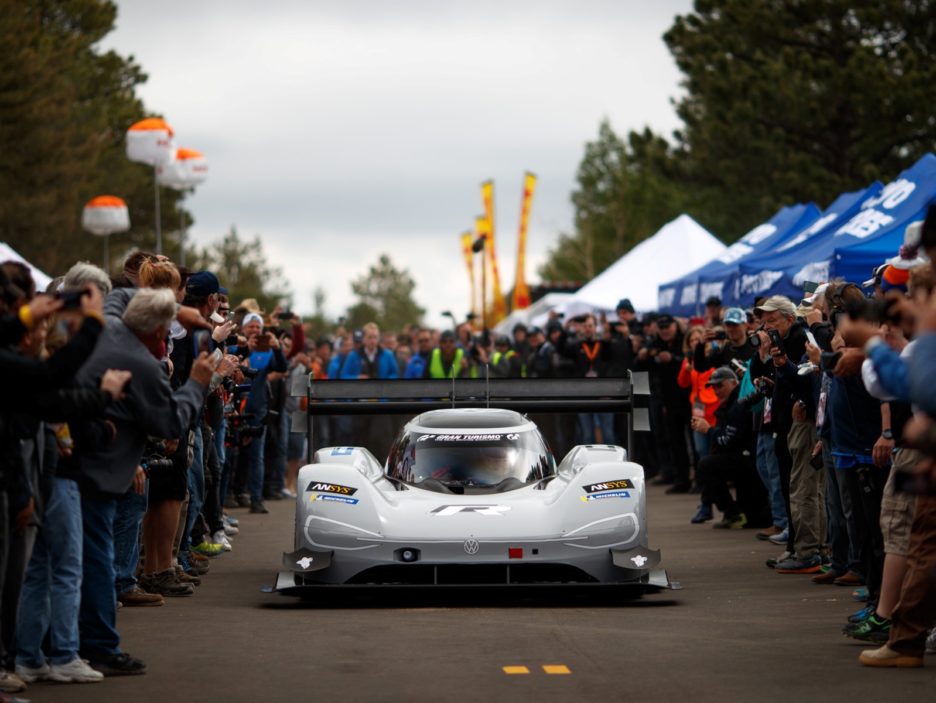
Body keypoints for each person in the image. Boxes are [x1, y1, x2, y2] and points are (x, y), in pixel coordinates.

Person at [70, 288, 215, 676]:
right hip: (100, 470)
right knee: (97, 560)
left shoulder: (113, 325)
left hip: (79, 464)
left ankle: (70, 645)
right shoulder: (143, 364)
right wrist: (198, 383)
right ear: (157, 332)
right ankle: (99, 647)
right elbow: (169, 424)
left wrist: (177, 308)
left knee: (77, 560)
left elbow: (119, 294)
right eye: (167, 329)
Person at [692, 367, 756, 528]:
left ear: (734, 383)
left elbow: (729, 441)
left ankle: (733, 513)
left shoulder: (739, 403)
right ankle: (730, 512)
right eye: (713, 387)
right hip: (742, 456)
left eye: (720, 385)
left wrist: (709, 430)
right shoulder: (728, 404)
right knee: (707, 462)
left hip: (749, 459)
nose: (716, 390)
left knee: (706, 465)